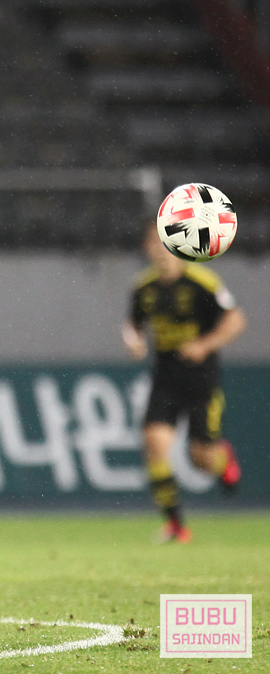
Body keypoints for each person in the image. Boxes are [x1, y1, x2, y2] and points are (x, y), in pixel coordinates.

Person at [122, 223, 245, 544]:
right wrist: (134, 341)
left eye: (166, 243)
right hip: (166, 379)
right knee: (154, 443)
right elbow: (132, 325)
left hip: (201, 380)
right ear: (147, 248)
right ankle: (176, 525)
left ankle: (223, 459)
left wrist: (204, 345)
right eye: (154, 243)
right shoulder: (143, 288)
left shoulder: (202, 281)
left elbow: (236, 320)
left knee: (201, 459)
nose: (161, 251)